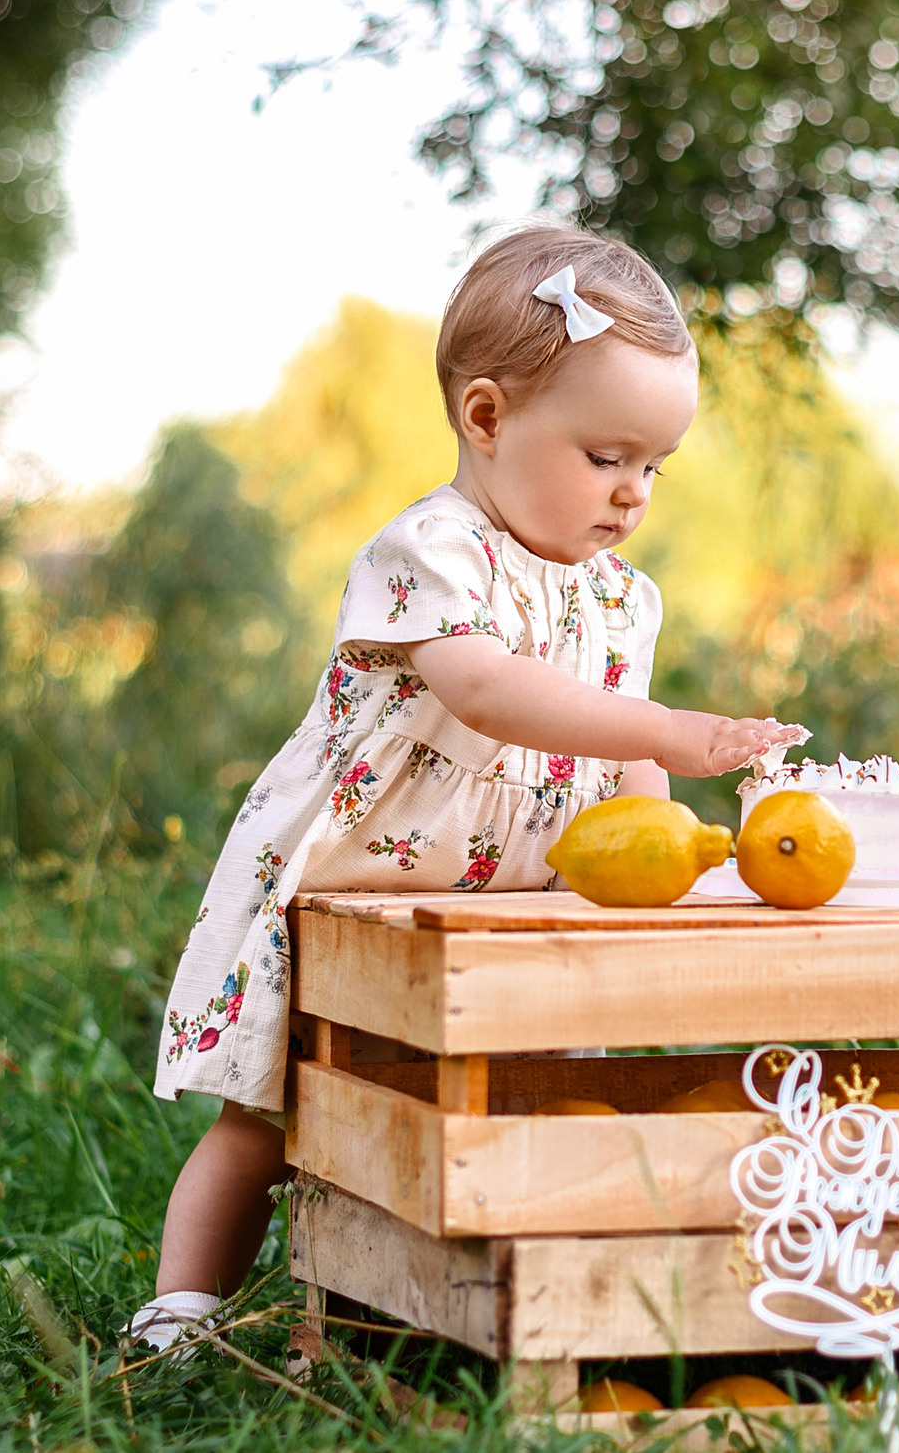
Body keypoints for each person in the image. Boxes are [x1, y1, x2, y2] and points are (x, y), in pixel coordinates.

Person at [127, 222, 800, 1350]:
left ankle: (445, 1297)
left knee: (497, 1105)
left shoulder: (619, 597)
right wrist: (671, 730)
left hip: (515, 906)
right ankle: (181, 1309)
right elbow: (488, 690)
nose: (633, 493)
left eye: (652, 466)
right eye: (604, 457)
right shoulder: (430, 552)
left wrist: (669, 836)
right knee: (276, 1112)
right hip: (364, 882)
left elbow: (619, 760)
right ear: (485, 418)